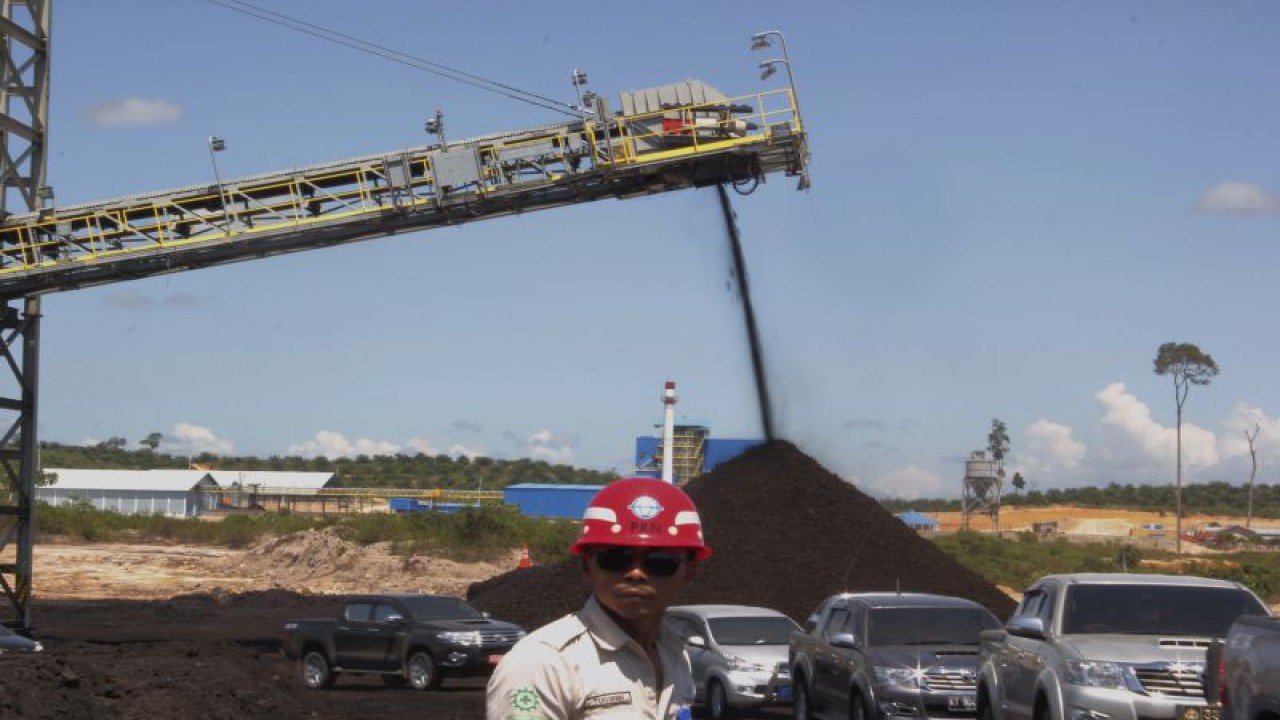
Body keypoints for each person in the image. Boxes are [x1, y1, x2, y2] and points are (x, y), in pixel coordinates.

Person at [486, 477, 712, 720]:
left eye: (661, 561)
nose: (636, 573)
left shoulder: (677, 654)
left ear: (689, 571)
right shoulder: (542, 664)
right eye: (615, 558)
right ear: (587, 566)